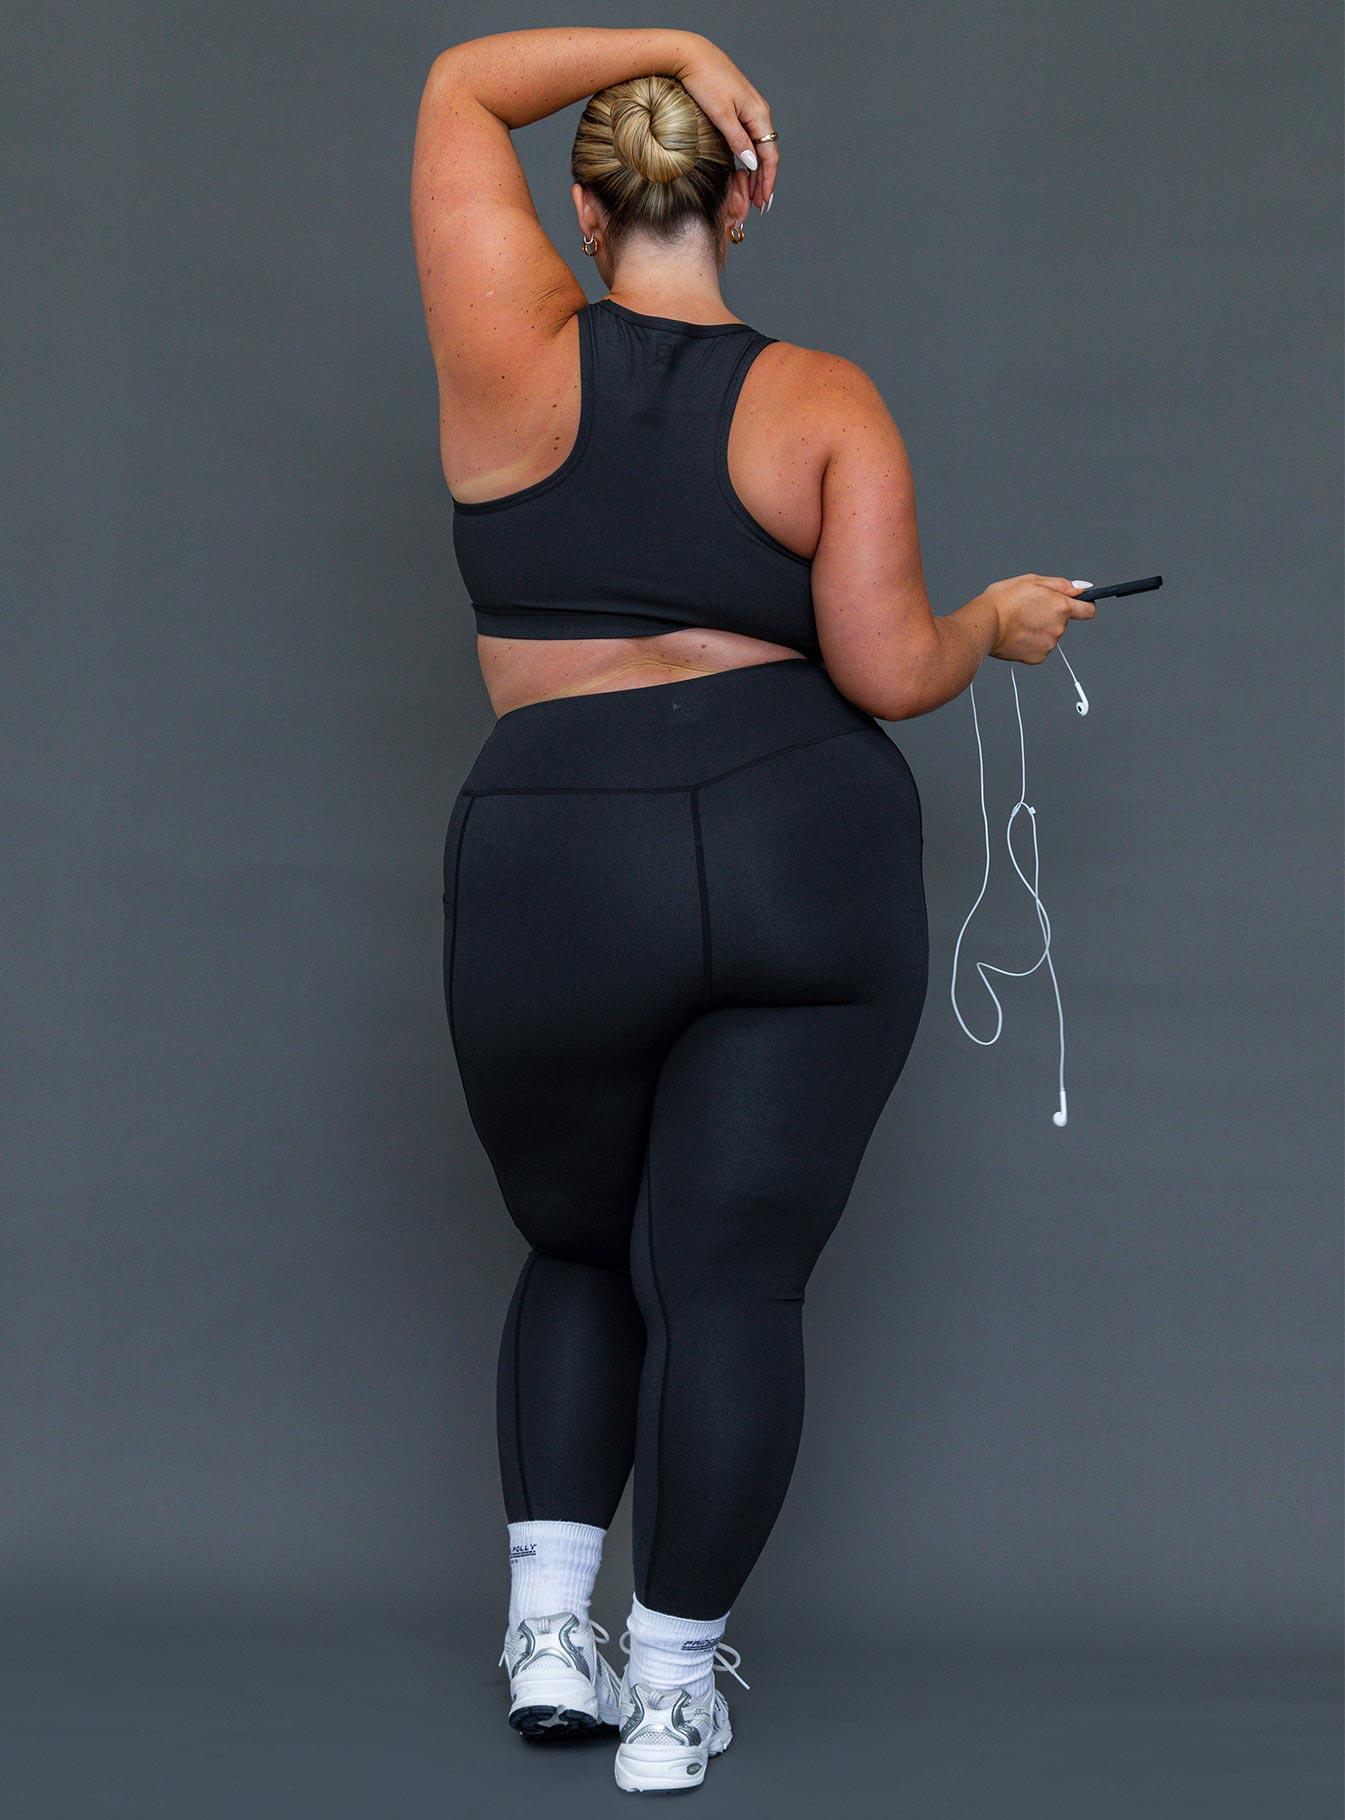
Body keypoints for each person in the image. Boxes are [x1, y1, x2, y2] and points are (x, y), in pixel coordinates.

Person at [411, 26, 1094, 1796]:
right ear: (745, 193)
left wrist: (670, 41)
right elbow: (884, 670)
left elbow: (461, 83)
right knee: (728, 1287)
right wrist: (992, 623)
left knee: (579, 1246)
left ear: (582, 210)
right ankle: (668, 1694)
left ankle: (548, 1634)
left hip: (559, 852)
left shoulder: (504, 348)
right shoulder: (825, 402)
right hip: (801, 837)